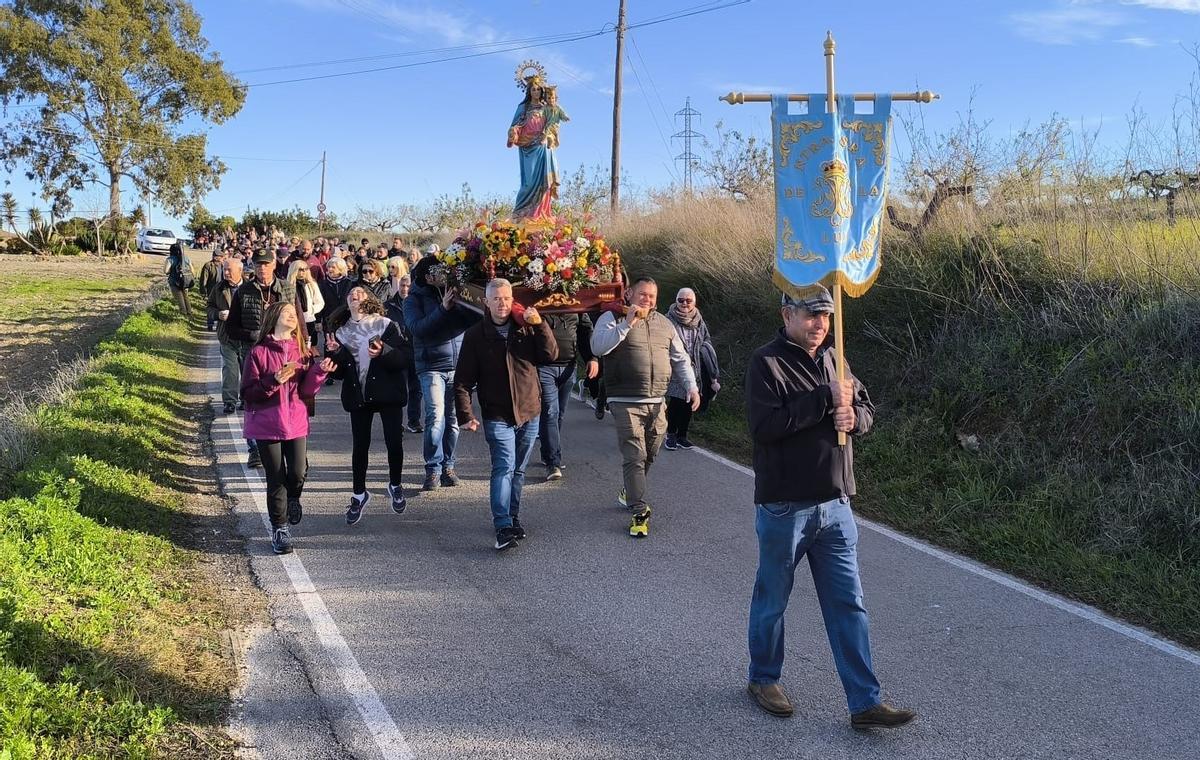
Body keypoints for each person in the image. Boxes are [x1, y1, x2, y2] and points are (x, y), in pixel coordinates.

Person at [743, 287, 916, 728]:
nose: (820, 324)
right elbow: (764, 427)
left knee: (849, 604)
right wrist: (824, 400)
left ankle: (864, 701)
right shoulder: (767, 362)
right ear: (787, 314)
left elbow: (866, 408)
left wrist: (854, 418)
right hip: (785, 507)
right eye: (810, 315)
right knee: (773, 600)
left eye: (825, 315)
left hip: (837, 505)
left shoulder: (837, 359)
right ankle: (763, 677)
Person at [590, 277, 699, 538]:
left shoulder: (664, 323)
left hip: (657, 401)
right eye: (642, 294)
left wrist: (691, 387)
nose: (646, 299)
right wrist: (627, 323)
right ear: (629, 294)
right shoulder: (611, 317)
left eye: (651, 295)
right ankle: (639, 510)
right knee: (634, 455)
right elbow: (597, 346)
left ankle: (630, 489)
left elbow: (680, 358)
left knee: (650, 452)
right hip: (624, 400)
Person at [453, 279, 557, 550]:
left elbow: (550, 355)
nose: (502, 303)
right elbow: (463, 381)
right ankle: (502, 526)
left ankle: (513, 517)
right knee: (503, 467)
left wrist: (539, 325)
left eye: (506, 298)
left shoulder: (526, 328)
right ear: (485, 302)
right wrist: (465, 414)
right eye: (496, 299)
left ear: (513, 300)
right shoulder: (476, 335)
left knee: (518, 470)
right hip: (497, 413)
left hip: (529, 411)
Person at [241, 302, 334, 554]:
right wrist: (274, 380)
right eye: (288, 314)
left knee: (297, 472)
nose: (293, 317)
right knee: (276, 478)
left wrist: (318, 372)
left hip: (295, 422)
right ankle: (280, 529)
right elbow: (247, 393)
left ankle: (294, 498)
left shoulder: (301, 350)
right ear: (274, 318)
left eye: (295, 314)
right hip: (266, 424)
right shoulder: (258, 352)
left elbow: (306, 390)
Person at [326, 287, 410, 523]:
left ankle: (395, 484)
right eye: (351, 292)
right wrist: (335, 355)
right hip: (359, 394)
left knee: (394, 441)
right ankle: (359, 494)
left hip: (388, 392)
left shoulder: (385, 325)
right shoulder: (340, 332)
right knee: (360, 446)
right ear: (347, 301)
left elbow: (404, 357)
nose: (355, 294)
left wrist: (384, 351)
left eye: (361, 292)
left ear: (370, 300)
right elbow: (340, 372)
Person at [404, 256, 479, 491]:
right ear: (428, 277)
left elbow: (473, 321)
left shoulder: (454, 291)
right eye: (439, 273)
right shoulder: (413, 300)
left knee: (453, 421)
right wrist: (443, 309)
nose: (445, 277)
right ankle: (433, 469)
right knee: (436, 418)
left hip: (458, 364)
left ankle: (449, 466)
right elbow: (418, 328)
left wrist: (473, 301)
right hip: (431, 365)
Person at [225, 249, 300, 468]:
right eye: (258, 265)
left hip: (284, 350)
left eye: (266, 264)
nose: (262, 268)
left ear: (274, 265)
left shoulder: (287, 287)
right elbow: (231, 327)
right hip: (254, 353)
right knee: (253, 399)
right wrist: (252, 336)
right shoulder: (244, 291)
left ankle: (288, 441)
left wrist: (305, 344)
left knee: (287, 397)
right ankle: (255, 448)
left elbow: (298, 318)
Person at [537, 312, 597, 481]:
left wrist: (591, 358)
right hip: (544, 366)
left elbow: (585, 332)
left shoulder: (576, 304)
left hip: (569, 367)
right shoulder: (541, 301)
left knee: (559, 414)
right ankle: (553, 462)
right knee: (550, 412)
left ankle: (547, 451)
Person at [664, 287, 720, 451]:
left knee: (691, 401)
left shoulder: (699, 320)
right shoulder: (668, 319)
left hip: (695, 367)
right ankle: (671, 435)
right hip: (676, 366)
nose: (684, 303)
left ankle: (682, 436)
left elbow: (706, 339)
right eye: (681, 300)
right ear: (676, 301)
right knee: (677, 400)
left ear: (694, 302)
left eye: (688, 301)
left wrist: (704, 352)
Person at [507, 70, 566, 220]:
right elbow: (515, 125)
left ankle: (539, 214)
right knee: (528, 182)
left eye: (539, 89)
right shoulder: (523, 108)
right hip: (528, 147)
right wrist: (514, 130)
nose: (536, 91)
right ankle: (520, 213)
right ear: (529, 91)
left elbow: (554, 124)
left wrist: (549, 136)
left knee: (543, 181)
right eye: (533, 89)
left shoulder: (547, 108)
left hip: (543, 146)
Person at [384, 273, 423, 434]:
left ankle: (413, 421)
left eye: (408, 286)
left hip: (416, 350)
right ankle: (397, 423)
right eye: (402, 285)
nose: (405, 289)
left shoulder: (419, 304)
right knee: (399, 389)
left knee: (416, 388)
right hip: (397, 351)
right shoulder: (388, 306)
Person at [209, 257, 246, 414]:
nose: (226, 272)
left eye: (229, 269)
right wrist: (218, 314)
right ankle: (229, 401)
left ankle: (246, 399)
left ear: (240, 271)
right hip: (227, 336)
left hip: (246, 336)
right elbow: (209, 308)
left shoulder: (250, 287)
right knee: (230, 369)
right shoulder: (218, 288)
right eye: (224, 269)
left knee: (248, 369)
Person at [288, 259, 325, 348]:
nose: (303, 272)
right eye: (300, 269)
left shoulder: (311, 284)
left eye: (306, 269)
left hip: (309, 319)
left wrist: (311, 310)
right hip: (294, 320)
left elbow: (320, 302)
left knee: (308, 345)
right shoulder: (288, 285)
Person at [163, 242, 195, 317]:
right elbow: (192, 269)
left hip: (174, 281)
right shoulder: (186, 257)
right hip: (186, 280)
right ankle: (189, 312)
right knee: (185, 296)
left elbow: (166, 271)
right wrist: (192, 278)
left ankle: (183, 313)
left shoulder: (170, 259)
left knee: (179, 297)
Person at [198, 249, 226, 330]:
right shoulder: (208, 265)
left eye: (221, 257)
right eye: (219, 257)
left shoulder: (223, 265)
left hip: (222, 290)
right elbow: (203, 279)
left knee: (221, 308)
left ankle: (219, 326)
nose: (221, 258)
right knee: (211, 308)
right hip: (211, 290)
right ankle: (210, 324)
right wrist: (203, 292)